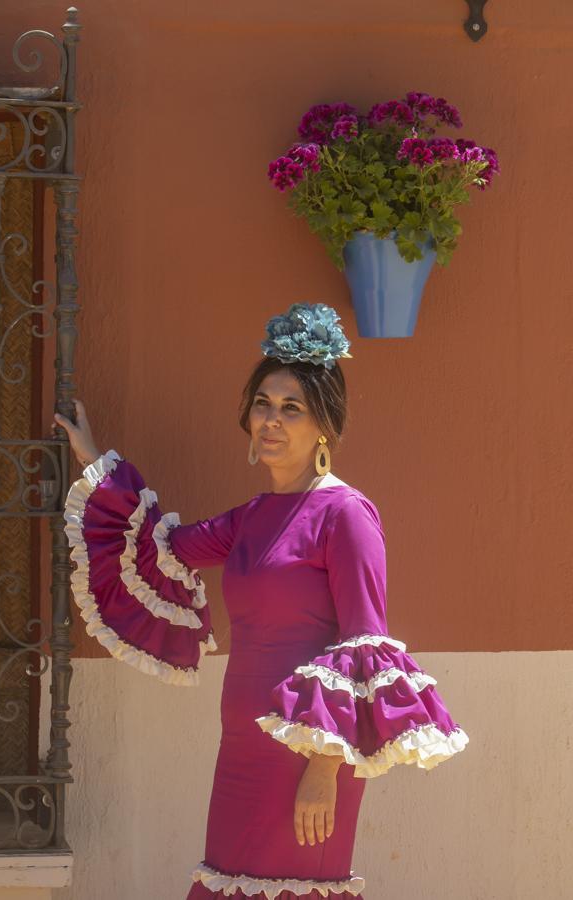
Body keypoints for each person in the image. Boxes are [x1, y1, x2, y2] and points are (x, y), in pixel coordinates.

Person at [55, 303, 469, 900]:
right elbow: (160, 547)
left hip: (308, 754)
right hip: (243, 745)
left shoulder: (346, 514)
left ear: (325, 425)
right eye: (262, 405)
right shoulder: (250, 518)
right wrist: (93, 459)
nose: (271, 421)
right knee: (230, 881)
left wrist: (324, 769)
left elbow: (363, 644)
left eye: (291, 408)